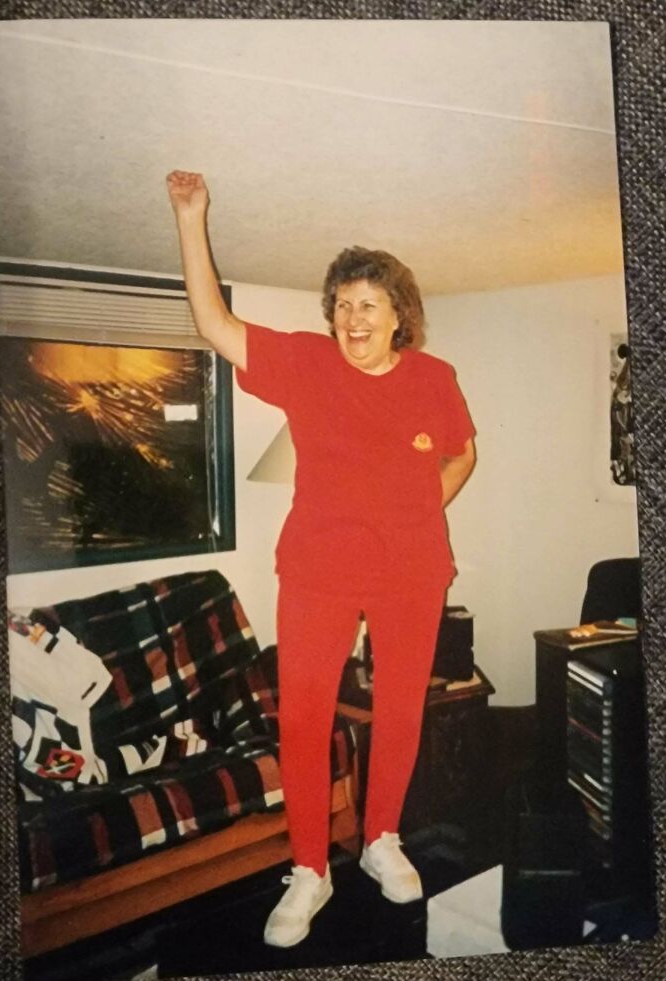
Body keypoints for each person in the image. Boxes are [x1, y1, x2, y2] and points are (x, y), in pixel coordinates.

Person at [166, 170, 477, 948]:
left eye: (367, 303)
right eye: (341, 305)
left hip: (412, 570)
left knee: (401, 707)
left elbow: (463, 454)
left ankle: (380, 839)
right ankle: (310, 867)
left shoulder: (435, 378)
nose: (351, 317)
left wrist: (417, 512)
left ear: (399, 314)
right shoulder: (307, 363)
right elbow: (213, 321)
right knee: (303, 714)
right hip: (316, 568)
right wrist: (192, 216)